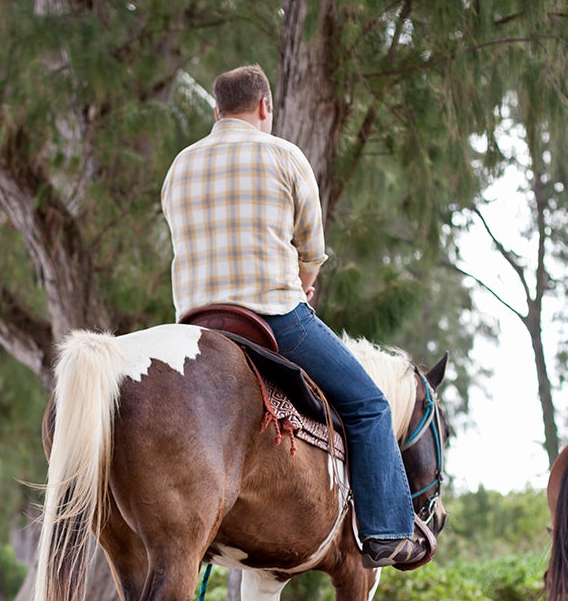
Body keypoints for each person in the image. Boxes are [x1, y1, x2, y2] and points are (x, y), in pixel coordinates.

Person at [160, 63, 434, 571]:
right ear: (265, 107)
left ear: (215, 111)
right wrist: (304, 284)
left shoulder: (179, 165)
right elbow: (312, 248)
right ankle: (388, 533)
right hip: (272, 319)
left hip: (197, 327)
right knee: (370, 405)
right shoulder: (283, 155)